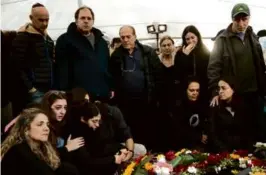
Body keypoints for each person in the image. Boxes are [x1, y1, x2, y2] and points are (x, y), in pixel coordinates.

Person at [208, 3, 266, 142]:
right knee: (242, 133)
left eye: (244, 19)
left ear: (249, 19)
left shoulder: (252, 36)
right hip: (237, 95)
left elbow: (260, 65)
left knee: (258, 130)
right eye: (237, 19)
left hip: (255, 93)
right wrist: (215, 91)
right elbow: (213, 67)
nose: (241, 23)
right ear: (232, 20)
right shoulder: (222, 40)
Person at [109, 25, 159, 147]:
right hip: (126, 104)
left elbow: (158, 74)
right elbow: (112, 78)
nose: (125, 40)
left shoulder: (147, 52)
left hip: (146, 101)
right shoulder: (116, 56)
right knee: (131, 132)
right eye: (122, 37)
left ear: (135, 37)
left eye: (128, 36)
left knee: (148, 131)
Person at [55, 6, 113, 101]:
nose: (86, 21)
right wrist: (66, 92)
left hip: (102, 94)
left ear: (93, 21)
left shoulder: (101, 41)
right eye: (82, 18)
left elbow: (106, 66)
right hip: (78, 96)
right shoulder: (65, 40)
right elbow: (61, 69)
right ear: (76, 20)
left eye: (89, 18)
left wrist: (110, 87)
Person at [1, 108, 78, 175]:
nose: (47, 128)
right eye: (40, 124)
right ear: (26, 130)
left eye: (47, 124)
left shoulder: (42, 148)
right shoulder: (19, 150)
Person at [10, 3, 54, 105]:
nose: (44, 23)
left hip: (48, 89)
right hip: (35, 92)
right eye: (41, 20)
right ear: (31, 18)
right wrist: (31, 88)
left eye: (47, 20)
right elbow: (15, 65)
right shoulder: (23, 37)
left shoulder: (47, 38)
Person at [210, 77, 257, 152]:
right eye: (219, 89)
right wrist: (225, 151)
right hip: (223, 153)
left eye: (223, 88)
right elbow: (213, 134)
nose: (220, 91)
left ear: (233, 89)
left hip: (243, 152)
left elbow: (250, 132)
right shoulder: (216, 108)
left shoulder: (244, 107)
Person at [174, 25, 210, 104]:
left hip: (202, 90)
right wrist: (185, 55)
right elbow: (178, 73)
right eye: (187, 39)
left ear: (197, 37)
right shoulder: (180, 54)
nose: (190, 41)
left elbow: (208, 72)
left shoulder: (206, 52)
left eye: (192, 37)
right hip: (186, 91)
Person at [172, 78, 208, 151]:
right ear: (185, 90)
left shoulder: (203, 104)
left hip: (201, 145)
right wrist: (199, 137)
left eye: (197, 90)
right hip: (182, 146)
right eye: (191, 90)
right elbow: (179, 130)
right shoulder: (179, 107)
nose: (195, 93)